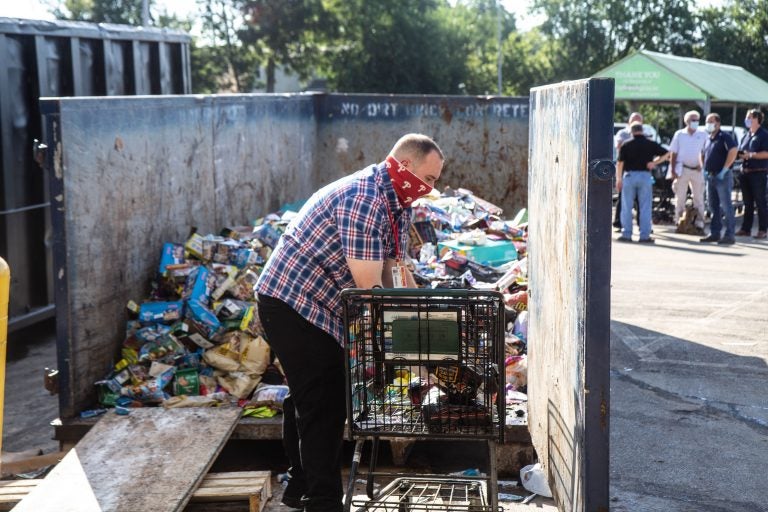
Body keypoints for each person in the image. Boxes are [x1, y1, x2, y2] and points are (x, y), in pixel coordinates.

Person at [256, 134, 444, 511]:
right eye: (429, 178)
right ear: (403, 168)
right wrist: (409, 351)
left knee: (308, 396)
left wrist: (418, 319)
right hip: (293, 302)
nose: (430, 189)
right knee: (323, 401)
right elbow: (369, 291)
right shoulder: (365, 199)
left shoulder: (397, 203)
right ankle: (322, 500)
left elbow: (396, 273)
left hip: (322, 306)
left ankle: (299, 485)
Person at [616, 121, 669, 243]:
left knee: (626, 206)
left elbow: (620, 163)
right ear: (642, 131)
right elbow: (667, 153)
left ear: (631, 131)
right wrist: (654, 163)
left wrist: (619, 179)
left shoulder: (626, 144)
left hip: (629, 176)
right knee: (645, 207)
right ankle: (644, 235)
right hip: (645, 176)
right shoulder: (650, 144)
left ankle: (626, 234)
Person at [700, 113, 738, 244]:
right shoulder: (708, 138)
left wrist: (725, 169)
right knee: (712, 206)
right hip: (710, 176)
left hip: (722, 176)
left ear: (718, 123)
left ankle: (730, 234)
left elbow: (733, 151)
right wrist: (703, 168)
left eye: (711, 121)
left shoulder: (724, 137)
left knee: (726, 205)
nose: (709, 123)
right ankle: (715, 232)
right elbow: (703, 154)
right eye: (707, 121)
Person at [669, 110, 709, 234]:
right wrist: (673, 170)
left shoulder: (703, 134)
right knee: (680, 198)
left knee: (699, 198)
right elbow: (673, 153)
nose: (695, 122)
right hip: (682, 169)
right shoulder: (679, 134)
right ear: (686, 121)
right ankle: (680, 221)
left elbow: (706, 151)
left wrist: (702, 164)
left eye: (697, 119)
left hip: (697, 170)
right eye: (693, 119)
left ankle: (699, 223)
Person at [736, 109, 768, 239]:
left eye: (750, 117)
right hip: (745, 172)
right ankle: (746, 228)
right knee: (747, 203)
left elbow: (766, 153)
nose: (747, 120)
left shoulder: (764, 135)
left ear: (757, 119)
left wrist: (751, 155)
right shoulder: (746, 135)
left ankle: (762, 229)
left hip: (758, 173)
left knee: (760, 202)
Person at [613, 112, 643, 230]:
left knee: (641, 200)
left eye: (639, 120)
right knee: (623, 198)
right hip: (625, 168)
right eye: (634, 120)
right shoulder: (623, 133)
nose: (636, 122)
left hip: (641, 168)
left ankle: (642, 225)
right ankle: (618, 223)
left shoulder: (645, 133)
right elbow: (619, 146)